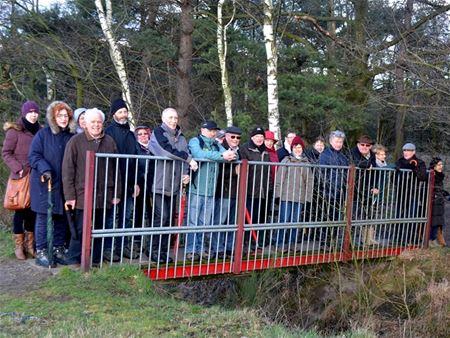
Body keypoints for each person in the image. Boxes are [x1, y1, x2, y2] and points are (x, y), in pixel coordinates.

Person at [62, 108, 121, 265]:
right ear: (85, 124)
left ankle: (94, 260)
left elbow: (117, 170)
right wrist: (70, 196)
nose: (96, 125)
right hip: (82, 195)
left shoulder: (109, 141)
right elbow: (67, 171)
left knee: (100, 229)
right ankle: (74, 260)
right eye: (93, 122)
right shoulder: (75, 142)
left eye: (99, 122)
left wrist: (117, 193)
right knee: (81, 229)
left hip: (105, 194)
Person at [28, 101, 75, 267]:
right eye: (59, 115)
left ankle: (57, 248)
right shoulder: (43, 135)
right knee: (43, 217)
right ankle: (41, 251)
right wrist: (45, 169)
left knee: (62, 216)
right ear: (53, 118)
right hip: (44, 183)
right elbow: (33, 156)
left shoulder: (71, 136)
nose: (63, 118)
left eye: (66, 115)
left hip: (64, 184)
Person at [149, 107, 198, 263]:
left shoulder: (182, 137)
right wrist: (188, 159)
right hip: (159, 182)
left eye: (175, 118)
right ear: (163, 119)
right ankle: (154, 251)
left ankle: (164, 252)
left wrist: (186, 173)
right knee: (161, 217)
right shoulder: (158, 134)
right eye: (170, 117)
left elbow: (186, 155)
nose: (173, 120)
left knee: (169, 220)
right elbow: (166, 151)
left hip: (174, 185)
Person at [186, 121, 236, 260]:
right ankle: (191, 250)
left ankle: (201, 249)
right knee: (193, 221)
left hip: (211, 191)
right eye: (210, 130)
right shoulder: (195, 141)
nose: (213, 133)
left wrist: (226, 156)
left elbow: (232, 155)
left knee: (204, 222)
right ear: (202, 129)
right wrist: (221, 157)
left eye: (214, 130)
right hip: (197, 188)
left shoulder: (216, 144)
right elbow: (198, 154)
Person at [2, 100, 41, 260]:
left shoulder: (41, 131)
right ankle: (19, 245)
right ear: (24, 113)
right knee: (20, 211)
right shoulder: (14, 131)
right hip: (20, 177)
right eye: (30, 112)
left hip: (36, 177)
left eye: (35, 112)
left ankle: (30, 245)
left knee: (32, 211)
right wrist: (18, 168)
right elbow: (6, 153)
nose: (33, 114)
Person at [104, 98, 141, 259]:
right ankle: (108, 248)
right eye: (120, 112)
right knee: (112, 217)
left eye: (125, 111)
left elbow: (137, 158)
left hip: (130, 182)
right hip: (114, 183)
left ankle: (122, 246)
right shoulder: (109, 132)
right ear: (114, 114)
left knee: (126, 217)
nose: (123, 114)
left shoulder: (131, 134)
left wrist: (137, 182)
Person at [274, 135, 313, 251]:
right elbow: (279, 178)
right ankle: (280, 244)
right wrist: (278, 194)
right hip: (286, 196)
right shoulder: (286, 161)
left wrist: (308, 197)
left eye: (300, 147)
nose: (297, 149)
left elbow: (309, 181)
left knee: (295, 222)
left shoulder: (307, 163)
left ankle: (292, 243)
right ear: (292, 148)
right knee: (284, 221)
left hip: (299, 197)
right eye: (295, 147)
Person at [240, 127, 272, 253]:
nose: (259, 139)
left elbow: (268, 171)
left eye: (261, 137)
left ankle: (255, 244)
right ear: (252, 137)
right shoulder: (245, 149)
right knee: (246, 219)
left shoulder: (266, 152)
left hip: (263, 191)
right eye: (257, 136)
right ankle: (244, 244)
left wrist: (269, 187)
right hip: (249, 191)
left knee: (258, 219)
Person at [213, 126, 242, 257]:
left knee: (233, 222)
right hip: (223, 190)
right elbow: (217, 170)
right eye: (233, 137)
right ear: (226, 137)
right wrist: (235, 172)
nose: (235, 140)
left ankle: (230, 247)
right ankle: (218, 248)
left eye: (238, 137)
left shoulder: (238, 151)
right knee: (220, 221)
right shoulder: (220, 149)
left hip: (236, 191)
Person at [318, 130, 349, 248]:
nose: (338, 144)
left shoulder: (343, 156)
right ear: (331, 142)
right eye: (336, 141)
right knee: (326, 217)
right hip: (327, 192)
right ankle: (324, 242)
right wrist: (327, 187)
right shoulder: (325, 155)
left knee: (336, 217)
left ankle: (332, 241)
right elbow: (321, 174)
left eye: (340, 142)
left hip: (340, 192)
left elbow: (346, 174)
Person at [394, 143, 427, 245]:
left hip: (413, 194)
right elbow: (393, 179)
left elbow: (423, 177)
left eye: (409, 150)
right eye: (404, 150)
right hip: (401, 194)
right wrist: (397, 174)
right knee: (399, 216)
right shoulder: (399, 161)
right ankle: (397, 239)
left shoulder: (420, 162)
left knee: (411, 217)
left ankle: (409, 239)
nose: (406, 152)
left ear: (414, 152)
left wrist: (414, 168)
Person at [428, 157, 448, 247]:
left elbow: (439, 189)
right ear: (434, 166)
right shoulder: (431, 175)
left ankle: (433, 240)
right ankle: (430, 240)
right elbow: (431, 189)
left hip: (439, 202)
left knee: (437, 222)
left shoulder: (439, 176)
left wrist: (445, 194)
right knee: (433, 222)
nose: (441, 166)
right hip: (433, 202)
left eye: (442, 164)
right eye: (439, 165)